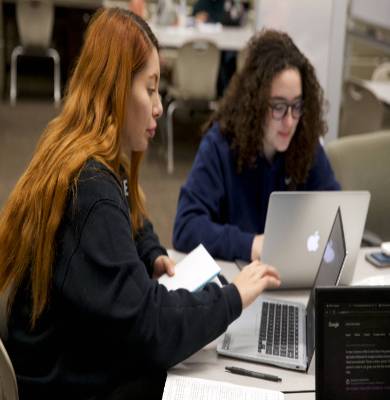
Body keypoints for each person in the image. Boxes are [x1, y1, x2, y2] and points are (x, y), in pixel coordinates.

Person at [0, 9, 281, 400]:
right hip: (64, 382)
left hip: (58, 359)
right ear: (115, 88)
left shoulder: (83, 154)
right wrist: (233, 297)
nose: (159, 106)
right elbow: (152, 329)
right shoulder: (92, 190)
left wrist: (150, 252)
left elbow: (132, 216)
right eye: (149, 89)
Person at [173, 29, 341, 263]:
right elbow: (186, 228)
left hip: (292, 276)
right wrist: (251, 244)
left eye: (297, 106)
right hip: (236, 283)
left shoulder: (304, 141)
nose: (290, 121)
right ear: (255, 103)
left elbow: (337, 215)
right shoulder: (220, 145)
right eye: (278, 106)